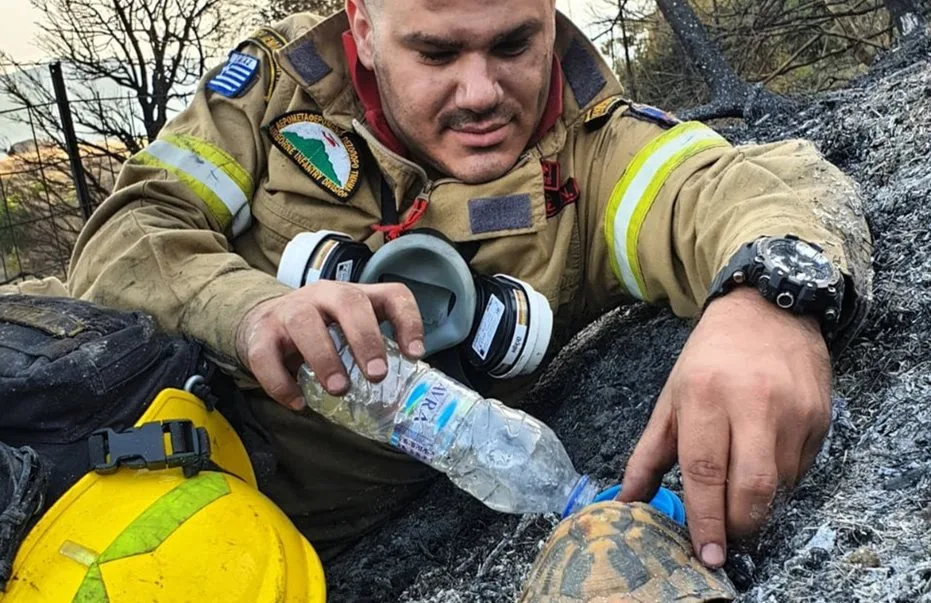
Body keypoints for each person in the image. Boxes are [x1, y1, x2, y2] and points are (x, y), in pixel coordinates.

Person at [67, 0, 873, 571]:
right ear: (364, 29)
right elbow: (123, 236)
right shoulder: (273, 90)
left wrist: (773, 299)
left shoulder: (589, 157)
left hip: (293, 547)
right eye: (437, 53)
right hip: (124, 448)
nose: (482, 92)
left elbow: (743, 189)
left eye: (516, 44)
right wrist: (252, 309)